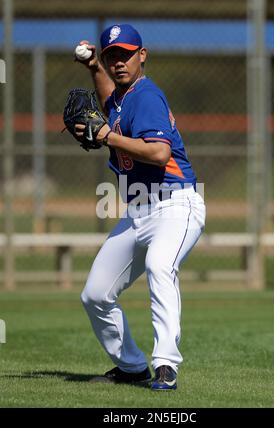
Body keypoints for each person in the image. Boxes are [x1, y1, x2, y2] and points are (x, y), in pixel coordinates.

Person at [75, 24, 206, 391]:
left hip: (175, 205)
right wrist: (93, 69)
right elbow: (107, 104)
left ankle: (166, 365)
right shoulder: (120, 95)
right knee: (96, 294)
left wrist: (107, 137)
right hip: (138, 213)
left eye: (126, 54)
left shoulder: (146, 96)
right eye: (111, 55)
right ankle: (132, 366)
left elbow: (159, 152)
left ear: (142, 56)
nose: (119, 62)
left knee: (159, 266)